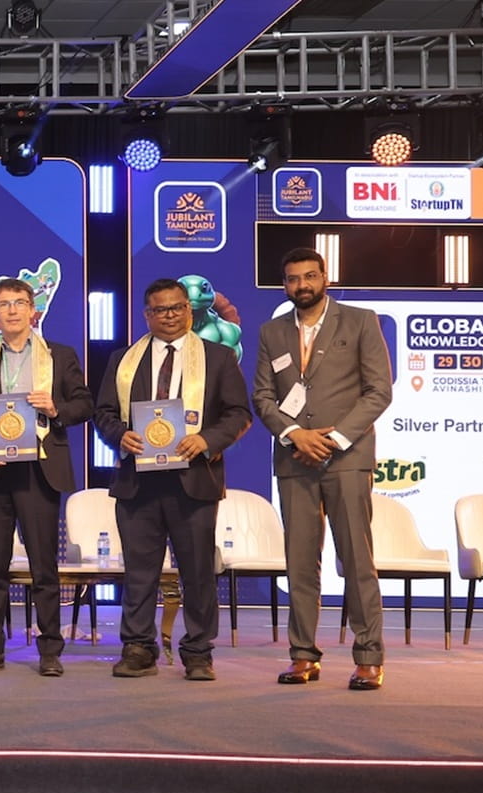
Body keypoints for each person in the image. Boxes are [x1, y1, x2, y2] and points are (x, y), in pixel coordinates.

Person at [93, 278, 251, 681]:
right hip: (138, 483)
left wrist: (207, 440)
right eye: (160, 310)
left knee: (197, 573)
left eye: (177, 308)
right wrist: (119, 435)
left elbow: (238, 413)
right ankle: (138, 648)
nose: (169, 316)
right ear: (147, 315)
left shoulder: (217, 358)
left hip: (193, 480)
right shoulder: (124, 360)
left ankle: (198, 652)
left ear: (189, 311)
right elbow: (103, 413)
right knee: (139, 573)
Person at [251, 247, 393, 691]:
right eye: (293, 279)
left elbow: (379, 391)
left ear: (325, 277)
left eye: (310, 276)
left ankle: (368, 657)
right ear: (285, 285)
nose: (302, 285)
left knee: (356, 560)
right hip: (294, 459)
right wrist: (295, 434)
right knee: (299, 563)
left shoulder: (360, 321)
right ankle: (303, 655)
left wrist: (333, 440)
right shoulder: (272, 331)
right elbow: (262, 397)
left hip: (346, 459)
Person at [0, 277, 93, 677]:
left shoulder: (60, 356)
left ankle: (49, 650)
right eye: (3, 304)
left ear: (33, 309)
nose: (12, 310)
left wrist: (55, 409)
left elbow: (84, 405)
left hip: (39, 471)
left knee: (43, 568)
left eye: (19, 302)